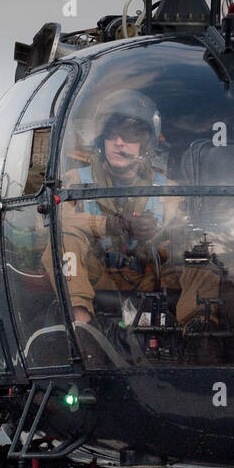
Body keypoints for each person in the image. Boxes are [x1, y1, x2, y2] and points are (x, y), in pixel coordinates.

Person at [59, 90, 170, 325]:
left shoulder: (167, 189)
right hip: (95, 276)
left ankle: (202, 333)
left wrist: (157, 236)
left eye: (129, 136)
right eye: (111, 135)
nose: (118, 142)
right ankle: (80, 326)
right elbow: (50, 223)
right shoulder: (75, 180)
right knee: (62, 240)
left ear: (146, 145)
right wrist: (106, 224)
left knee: (202, 263)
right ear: (102, 140)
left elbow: (186, 235)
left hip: (148, 277)